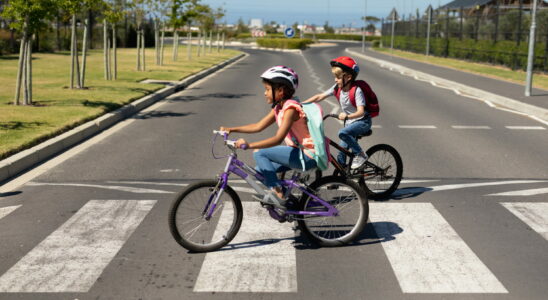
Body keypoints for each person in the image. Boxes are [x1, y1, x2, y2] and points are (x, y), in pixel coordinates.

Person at [219, 66, 317, 208]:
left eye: (267, 89)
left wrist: (250, 146)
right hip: (297, 153)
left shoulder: (290, 109)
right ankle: (286, 201)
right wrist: (231, 129)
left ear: (280, 91)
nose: (265, 93)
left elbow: (278, 138)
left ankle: (278, 195)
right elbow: (258, 126)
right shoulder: (279, 108)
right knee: (261, 170)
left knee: (260, 153)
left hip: (307, 155)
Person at [303, 56, 371, 169]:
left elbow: (361, 112)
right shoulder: (337, 88)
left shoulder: (357, 91)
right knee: (341, 152)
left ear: (348, 77)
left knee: (343, 133)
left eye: (338, 77)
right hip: (350, 123)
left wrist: (347, 116)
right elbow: (319, 96)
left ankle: (361, 154)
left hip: (362, 122)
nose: (335, 80)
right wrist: (300, 105)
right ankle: (342, 178)